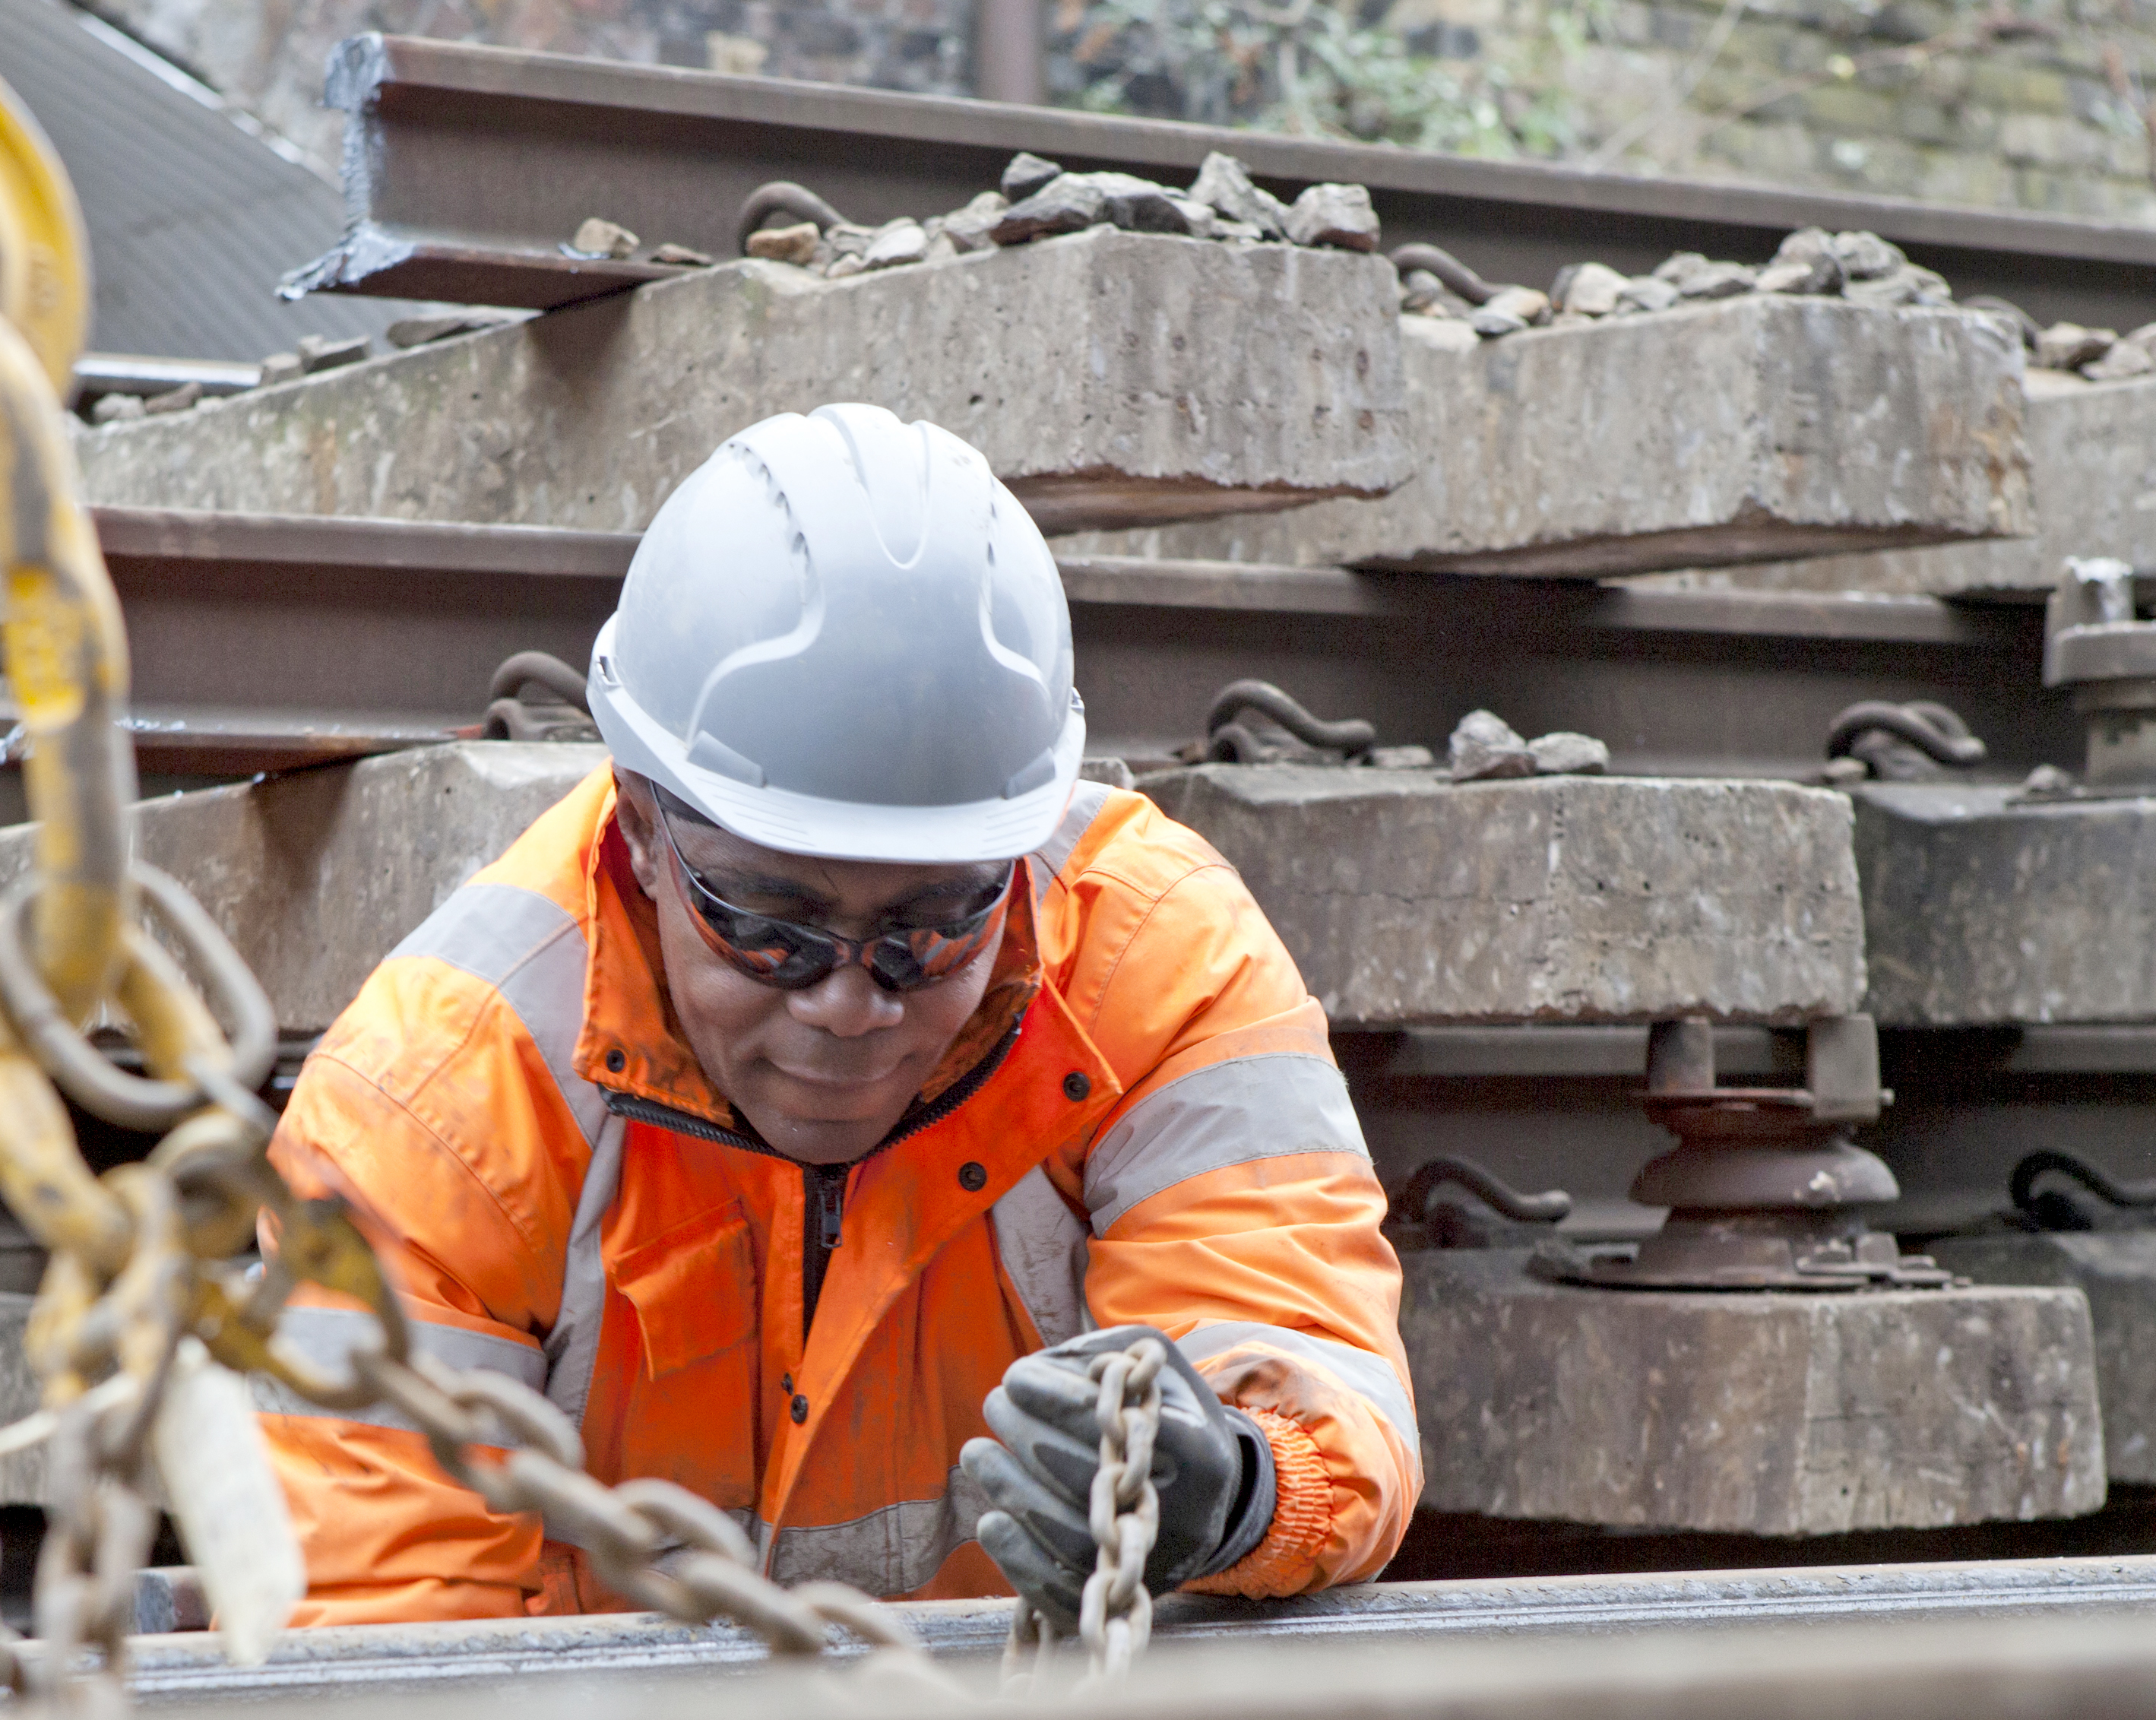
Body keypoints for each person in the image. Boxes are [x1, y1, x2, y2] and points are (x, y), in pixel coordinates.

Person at [257, 403, 1420, 1624]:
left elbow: (1313, 1366)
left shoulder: (1158, 963)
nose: (850, 1005)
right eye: (769, 925)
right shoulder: (435, 1105)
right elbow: (384, 1648)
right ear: (646, 833)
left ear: (1018, 863)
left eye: (931, 929)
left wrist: (1238, 1486)